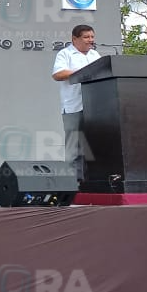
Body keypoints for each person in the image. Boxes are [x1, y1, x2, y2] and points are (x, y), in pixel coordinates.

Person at [51, 24, 100, 180]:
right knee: (74, 148)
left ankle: (93, 182)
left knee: (94, 146)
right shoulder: (65, 54)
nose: (90, 40)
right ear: (74, 39)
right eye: (86, 37)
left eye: (92, 37)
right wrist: (83, 72)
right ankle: (73, 183)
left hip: (95, 107)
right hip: (74, 106)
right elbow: (58, 74)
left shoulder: (95, 55)